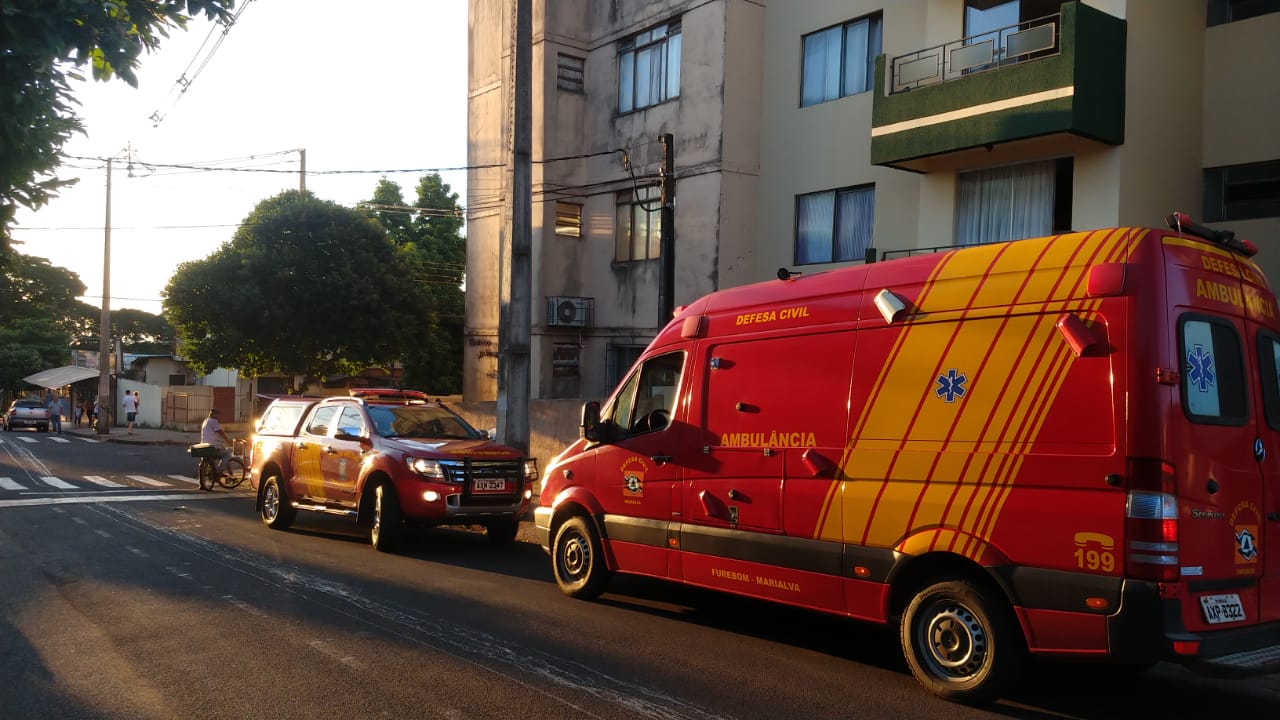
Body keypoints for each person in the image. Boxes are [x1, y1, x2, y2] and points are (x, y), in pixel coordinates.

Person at [200, 408, 232, 482]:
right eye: (218, 414)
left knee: (206, 461)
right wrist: (227, 441)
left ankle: (203, 479)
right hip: (212, 447)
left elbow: (211, 434)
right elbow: (220, 432)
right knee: (227, 454)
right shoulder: (214, 421)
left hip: (204, 446)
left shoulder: (206, 420)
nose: (218, 416)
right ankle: (219, 472)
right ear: (215, 414)